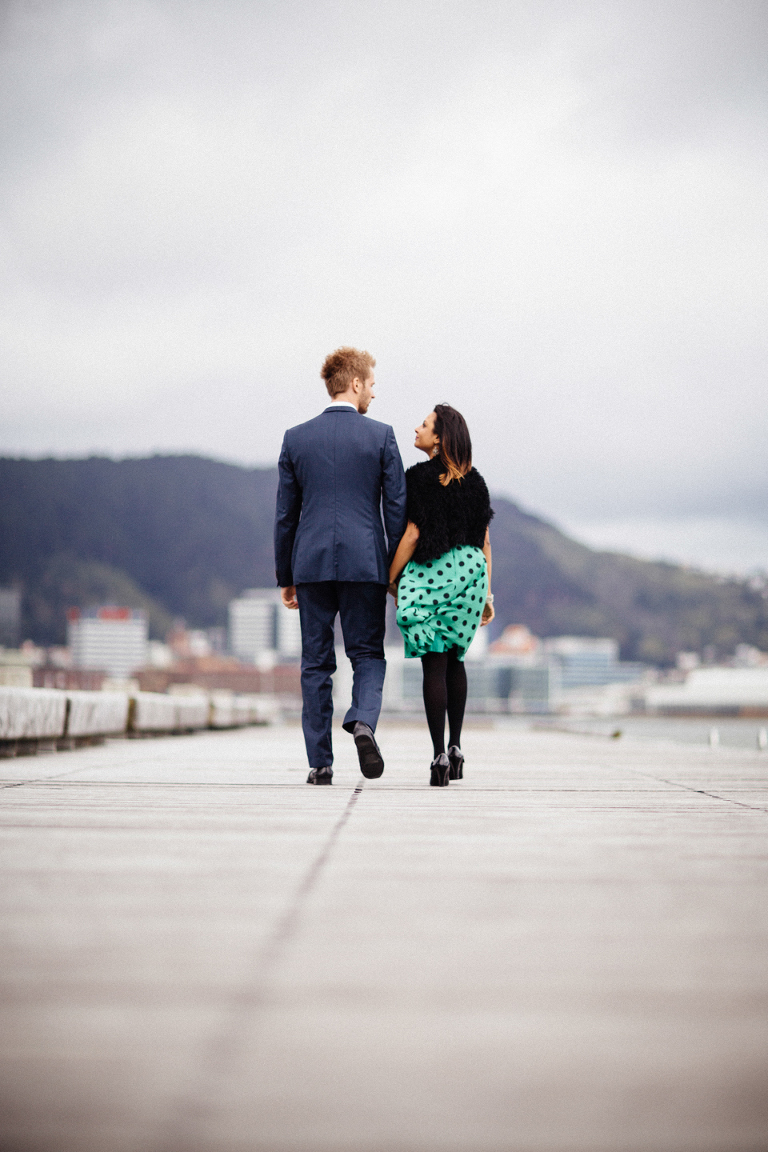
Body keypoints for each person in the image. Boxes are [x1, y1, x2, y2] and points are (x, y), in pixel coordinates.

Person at [274, 347, 407, 784]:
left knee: (315, 663)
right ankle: (364, 721)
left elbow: (285, 515)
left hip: (310, 565)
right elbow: (396, 509)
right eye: (371, 384)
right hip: (365, 564)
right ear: (354, 384)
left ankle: (320, 764)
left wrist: (285, 576)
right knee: (367, 653)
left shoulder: (296, 438)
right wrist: (394, 571)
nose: (373, 392)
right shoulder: (382, 436)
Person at [388, 405, 494, 786]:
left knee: (433, 664)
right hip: (471, 576)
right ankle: (457, 746)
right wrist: (487, 596)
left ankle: (437, 757)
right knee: (456, 660)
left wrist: (390, 577)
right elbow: (484, 541)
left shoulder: (418, 477)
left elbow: (413, 534)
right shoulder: (477, 482)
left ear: (439, 438)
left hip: (433, 573)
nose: (416, 428)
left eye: (425, 425)